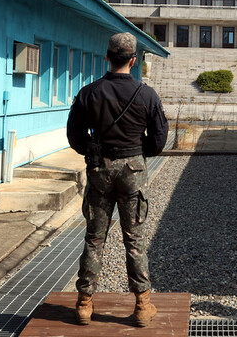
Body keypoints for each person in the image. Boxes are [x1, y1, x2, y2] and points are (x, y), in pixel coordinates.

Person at [67, 32, 168, 327]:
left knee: (95, 238)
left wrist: (93, 152)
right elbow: (159, 140)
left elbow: (74, 135)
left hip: (100, 170)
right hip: (132, 171)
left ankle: (84, 304)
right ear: (133, 60)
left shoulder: (89, 92)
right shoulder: (146, 94)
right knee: (134, 239)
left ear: (108, 57)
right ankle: (142, 306)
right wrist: (138, 153)